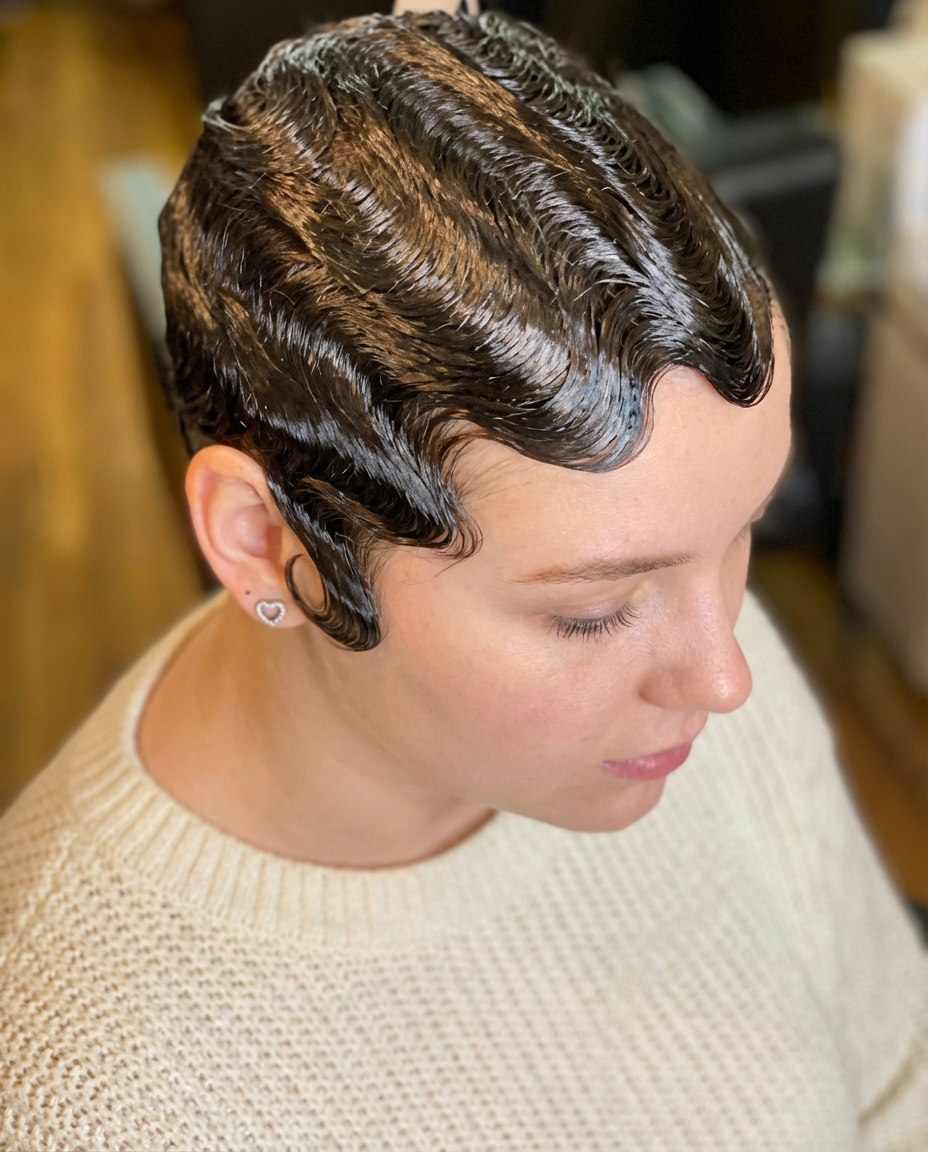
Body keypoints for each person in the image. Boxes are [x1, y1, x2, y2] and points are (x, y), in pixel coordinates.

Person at [1, 11, 925, 1150]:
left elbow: (897, 1083)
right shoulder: (83, 1098)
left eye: (742, 530)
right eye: (588, 613)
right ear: (260, 538)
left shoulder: (682, 652)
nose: (726, 676)